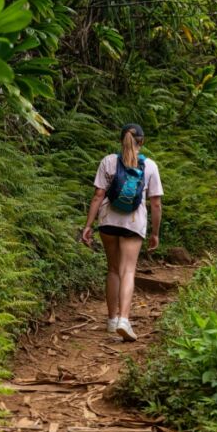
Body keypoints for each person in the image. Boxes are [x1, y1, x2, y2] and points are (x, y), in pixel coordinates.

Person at [80, 124, 163, 342]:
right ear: (142, 142)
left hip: (108, 221)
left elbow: (98, 195)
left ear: (121, 140)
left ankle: (111, 319)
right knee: (128, 271)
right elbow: (155, 203)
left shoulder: (108, 161)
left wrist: (88, 225)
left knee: (113, 270)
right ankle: (124, 320)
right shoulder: (150, 166)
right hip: (134, 223)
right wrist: (155, 233)